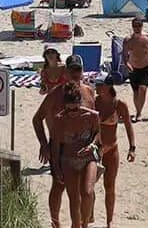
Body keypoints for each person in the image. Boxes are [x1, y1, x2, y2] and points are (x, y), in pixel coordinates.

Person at [45, 85, 101, 228]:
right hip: (68, 160)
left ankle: (85, 224)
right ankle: (76, 225)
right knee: (74, 198)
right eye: (69, 110)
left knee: (88, 192)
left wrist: (92, 145)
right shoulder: (59, 120)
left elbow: (97, 135)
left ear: (80, 104)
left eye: (75, 109)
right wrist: (56, 168)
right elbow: (56, 146)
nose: (72, 113)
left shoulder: (92, 116)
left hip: (88, 158)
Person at [94, 82, 136, 228]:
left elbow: (128, 125)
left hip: (112, 149)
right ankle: (90, 215)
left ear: (108, 86)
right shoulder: (94, 102)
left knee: (110, 186)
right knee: (88, 185)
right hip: (96, 150)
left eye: (100, 84)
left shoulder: (119, 104)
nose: (97, 87)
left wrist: (132, 148)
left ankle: (109, 220)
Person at [123, 19, 148, 120]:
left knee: (143, 89)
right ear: (132, 27)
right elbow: (124, 55)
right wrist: (127, 64)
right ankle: (138, 110)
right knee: (136, 92)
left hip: (146, 68)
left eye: (138, 26)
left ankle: (139, 113)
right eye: (135, 26)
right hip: (133, 69)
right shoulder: (128, 40)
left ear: (142, 26)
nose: (137, 28)